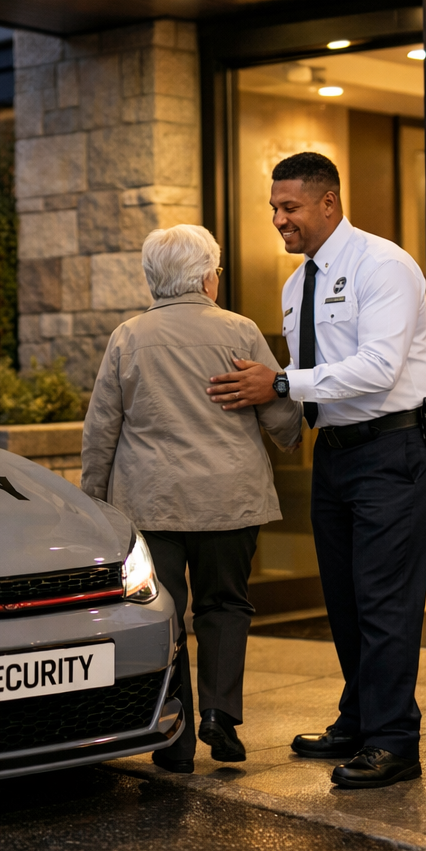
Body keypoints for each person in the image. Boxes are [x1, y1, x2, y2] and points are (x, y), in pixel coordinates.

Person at [205, 152, 426, 789]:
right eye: (274, 209)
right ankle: (360, 717)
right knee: (343, 598)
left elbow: (378, 367)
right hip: (338, 452)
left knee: (384, 600)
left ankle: (395, 743)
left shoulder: (384, 265)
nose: (279, 220)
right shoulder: (295, 285)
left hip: (397, 447)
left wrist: (282, 382)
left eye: (290, 208)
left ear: (328, 204)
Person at [82, 224, 302, 774]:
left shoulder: (128, 337)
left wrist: (94, 500)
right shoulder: (240, 332)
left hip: (152, 501)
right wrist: (293, 431)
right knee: (225, 605)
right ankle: (222, 718)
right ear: (208, 276)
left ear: (153, 277)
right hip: (230, 499)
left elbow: (101, 428)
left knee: (167, 615)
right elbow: (279, 414)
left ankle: (174, 738)